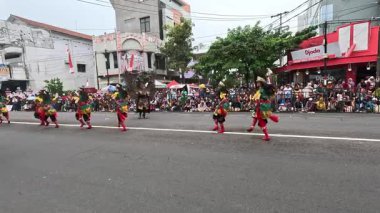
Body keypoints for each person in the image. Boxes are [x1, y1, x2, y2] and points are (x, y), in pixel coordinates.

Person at [247, 77, 279, 141]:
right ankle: (252, 127)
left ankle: (267, 136)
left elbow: (257, 97)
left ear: (261, 83)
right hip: (263, 105)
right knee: (256, 115)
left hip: (262, 106)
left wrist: (252, 101)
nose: (257, 83)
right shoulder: (263, 89)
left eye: (258, 82)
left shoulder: (262, 89)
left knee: (261, 121)